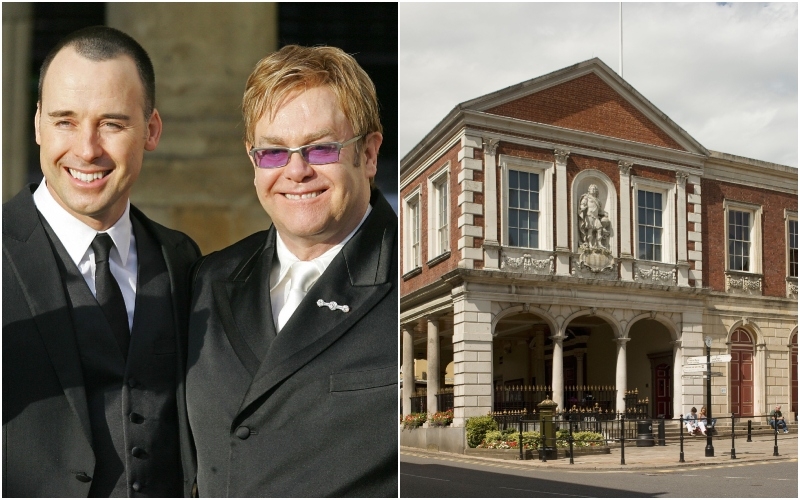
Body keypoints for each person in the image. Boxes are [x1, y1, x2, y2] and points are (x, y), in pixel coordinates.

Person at [186, 45, 397, 497]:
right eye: (273, 153)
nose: (296, 171)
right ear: (253, 161)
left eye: (321, 149)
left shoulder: (414, 275)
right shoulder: (207, 280)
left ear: (370, 153)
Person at [3, 27, 199, 497]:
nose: (86, 149)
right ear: (36, 125)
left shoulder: (182, 259)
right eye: (64, 121)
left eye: (111, 123)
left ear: (151, 130)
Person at [578, 184, 611, 249]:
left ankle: (599, 243)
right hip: (589, 216)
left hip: (596, 217)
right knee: (590, 230)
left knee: (599, 229)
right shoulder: (586, 197)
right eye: (591, 189)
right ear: (589, 190)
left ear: (596, 191)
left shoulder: (598, 201)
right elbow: (582, 204)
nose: (593, 190)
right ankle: (590, 244)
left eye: (594, 189)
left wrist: (604, 214)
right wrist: (583, 207)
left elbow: (599, 211)